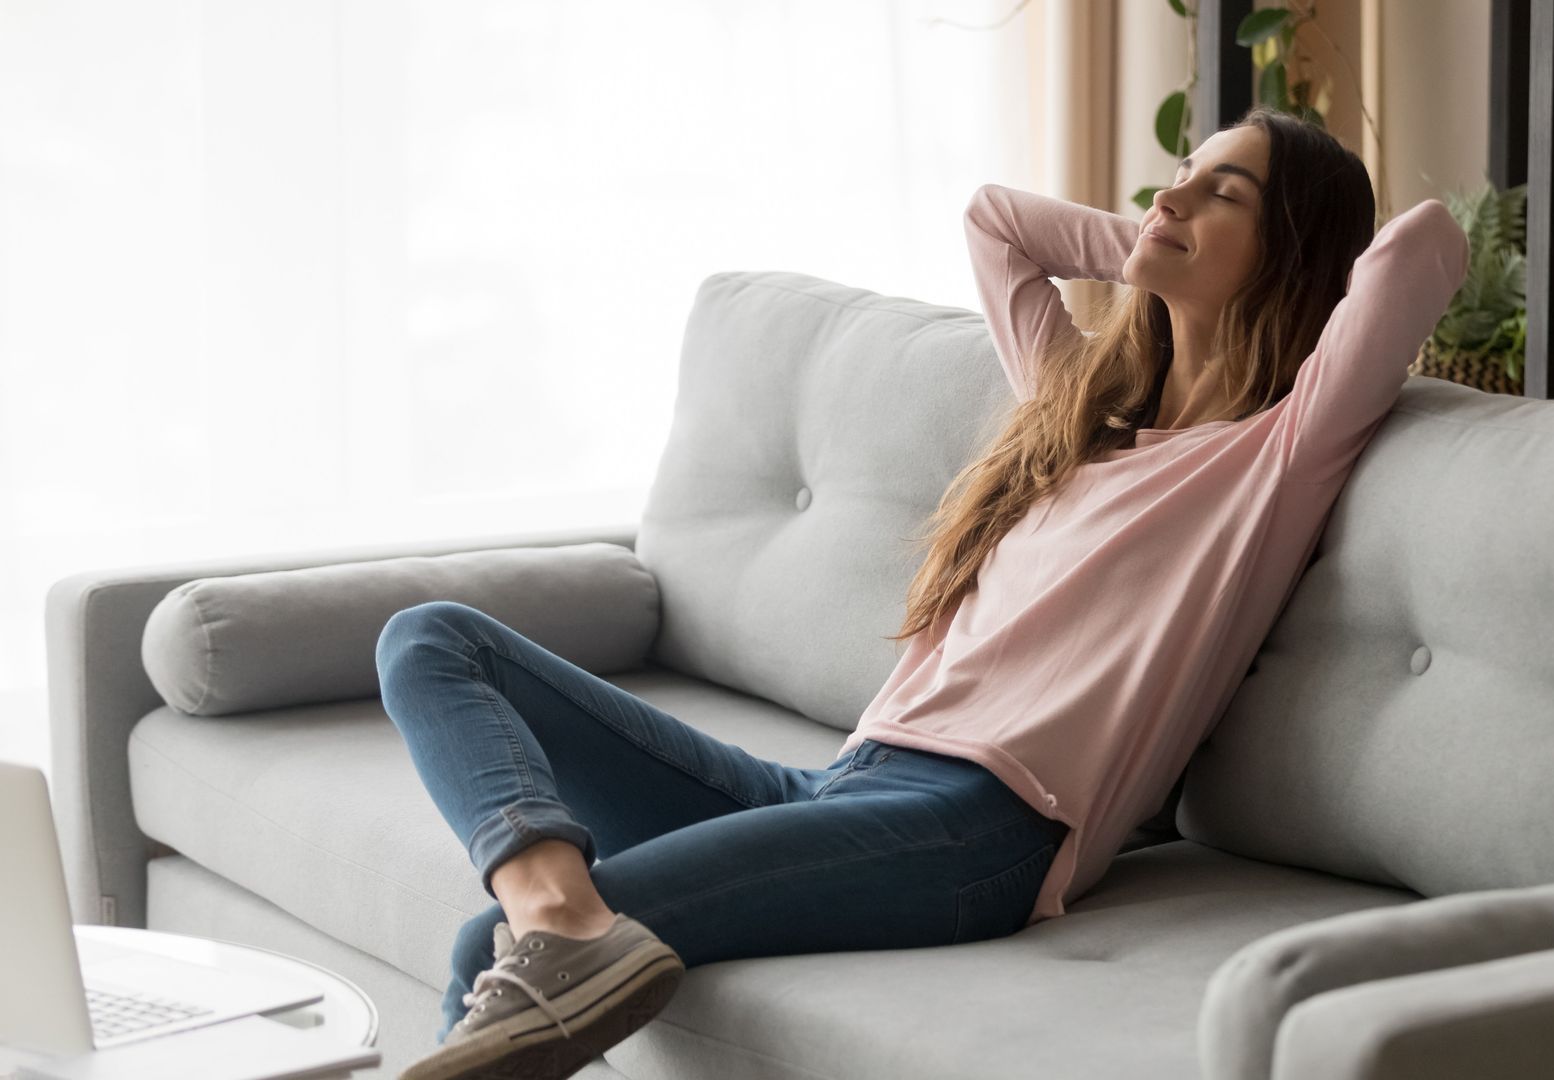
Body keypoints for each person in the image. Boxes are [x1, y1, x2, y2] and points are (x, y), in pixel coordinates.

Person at [380, 103, 1469, 1080]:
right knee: (432, 641)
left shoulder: (1277, 452)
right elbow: (995, 221)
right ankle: (563, 909)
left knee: (492, 949)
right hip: (842, 787)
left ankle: (561, 927)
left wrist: (1193, 248)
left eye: (1222, 191)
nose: (1171, 192)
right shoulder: (1078, 413)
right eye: (1178, 171)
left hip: (984, 827)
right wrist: (1149, 243)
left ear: (1290, 251)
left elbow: (1426, 245)